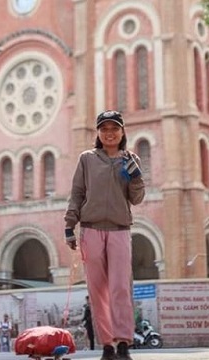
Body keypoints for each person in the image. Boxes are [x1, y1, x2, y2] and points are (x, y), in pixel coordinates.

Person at [64, 110, 145, 360]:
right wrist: (70, 225)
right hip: (91, 229)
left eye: (114, 128)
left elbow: (137, 198)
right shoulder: (87, 159)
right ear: (98, 133)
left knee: (121, 287)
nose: (110, 133)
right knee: (97, 290)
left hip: (120, 230)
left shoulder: (130, 159)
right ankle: (108, 345)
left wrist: (136, 178)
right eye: (104, 129)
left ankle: (123, 343)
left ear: (122, 132)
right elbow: (77, 193)